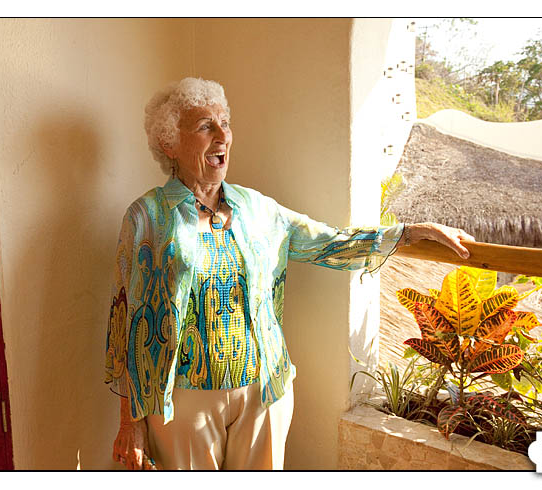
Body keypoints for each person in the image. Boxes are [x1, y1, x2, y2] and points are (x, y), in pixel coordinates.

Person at [104, 77, 475, 470]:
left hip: (264, 388)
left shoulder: (258, 208)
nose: (221, 136)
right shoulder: (146, 217)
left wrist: (411, 232)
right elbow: (127, 321)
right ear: (169, 144)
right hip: (184, 400)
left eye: (224, 123)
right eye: (204, 126)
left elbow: (331, 243)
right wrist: (131, 422)